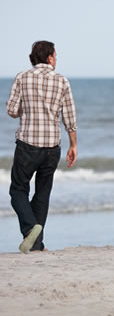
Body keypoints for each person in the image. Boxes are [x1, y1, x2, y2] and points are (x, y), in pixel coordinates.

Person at [6, 41, 77, 253]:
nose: (57, 59)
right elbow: (70, 116)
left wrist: (25, 111)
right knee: (42, 194)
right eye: (55, 55)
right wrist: (73, 144)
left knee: (18, 190)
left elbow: (11, 109)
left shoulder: (22, 77)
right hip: (52, 148)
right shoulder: (62, 81)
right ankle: (37, 245)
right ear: (49, 57)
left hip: (28, 144)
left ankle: (30, 230)